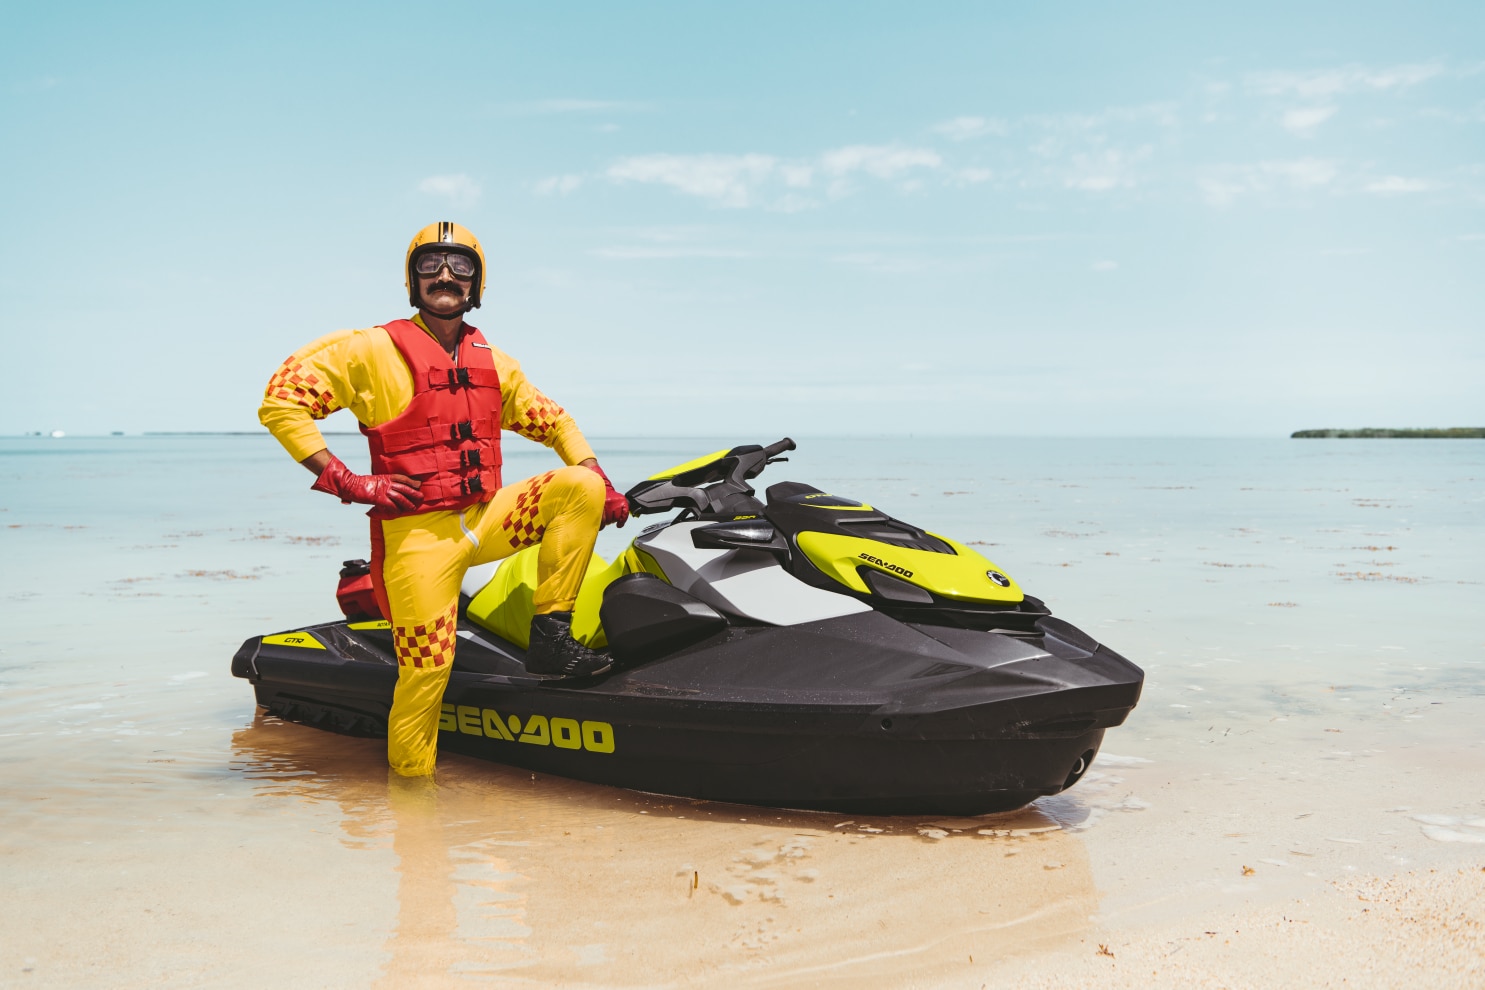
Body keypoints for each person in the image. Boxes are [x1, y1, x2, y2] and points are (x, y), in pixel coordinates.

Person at [258, 221, 628, 776]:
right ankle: (413, 810)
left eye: (461, 267)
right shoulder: (369, 350)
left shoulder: (495, 364)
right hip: (416, 536)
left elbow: (556, 422)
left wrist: (602, 478)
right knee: (427, 673)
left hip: (486, 518)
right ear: (413, 279)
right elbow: (281, 401)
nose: (446, 276)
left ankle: (551, 638)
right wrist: (350, 481)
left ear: (477, 283)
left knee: (580, 486)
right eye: (431, 265)